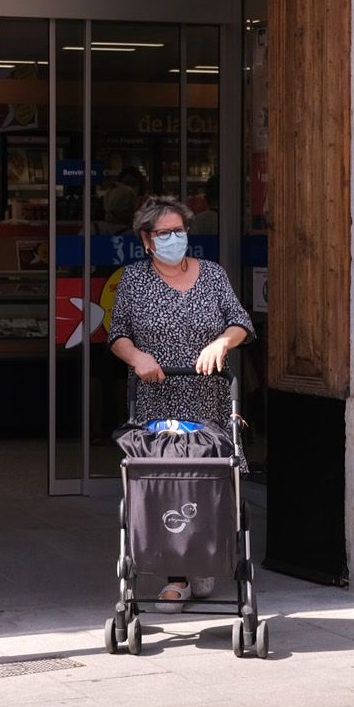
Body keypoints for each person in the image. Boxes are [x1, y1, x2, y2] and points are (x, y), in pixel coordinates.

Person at [106, 196, 254, 598]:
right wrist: (137, 358)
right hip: (160, 400)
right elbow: (117, 335)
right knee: (168, 486)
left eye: (180, 231)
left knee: (208, 484)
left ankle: (205, 558)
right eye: (164, 233)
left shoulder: (213, 276)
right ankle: (176, 576)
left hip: (208, 398)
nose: (174, 239)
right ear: (147, 240)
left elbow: (241, 322)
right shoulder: (134, 280)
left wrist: (222, 343)